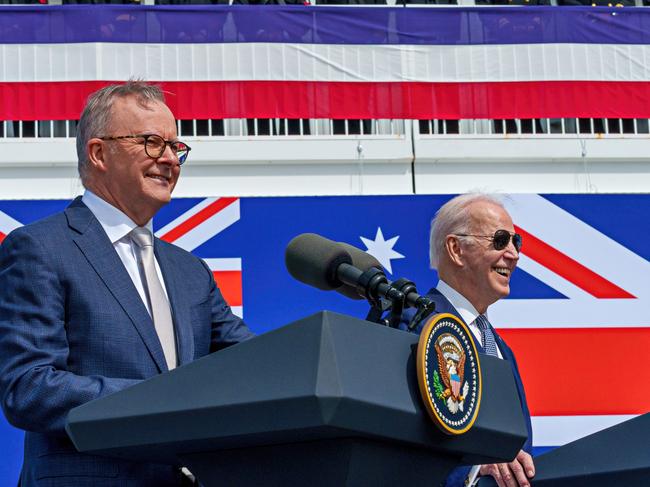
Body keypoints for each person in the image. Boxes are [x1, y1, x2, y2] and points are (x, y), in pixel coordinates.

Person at [0, 81, 255, 486]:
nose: (170, 159)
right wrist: (160, 400)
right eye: (152, 142)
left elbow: (255, 363)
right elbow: (28, 388)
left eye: (176, 147)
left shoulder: (191, 271)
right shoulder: (39, 249)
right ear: (99, 153)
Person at [404, 193, 535, 487]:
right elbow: (395, 440)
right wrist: (473, 472)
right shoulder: (410, 325)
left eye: (517, 242)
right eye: (500, 240)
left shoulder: (502, 350)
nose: (513, 254)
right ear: (456, 249)